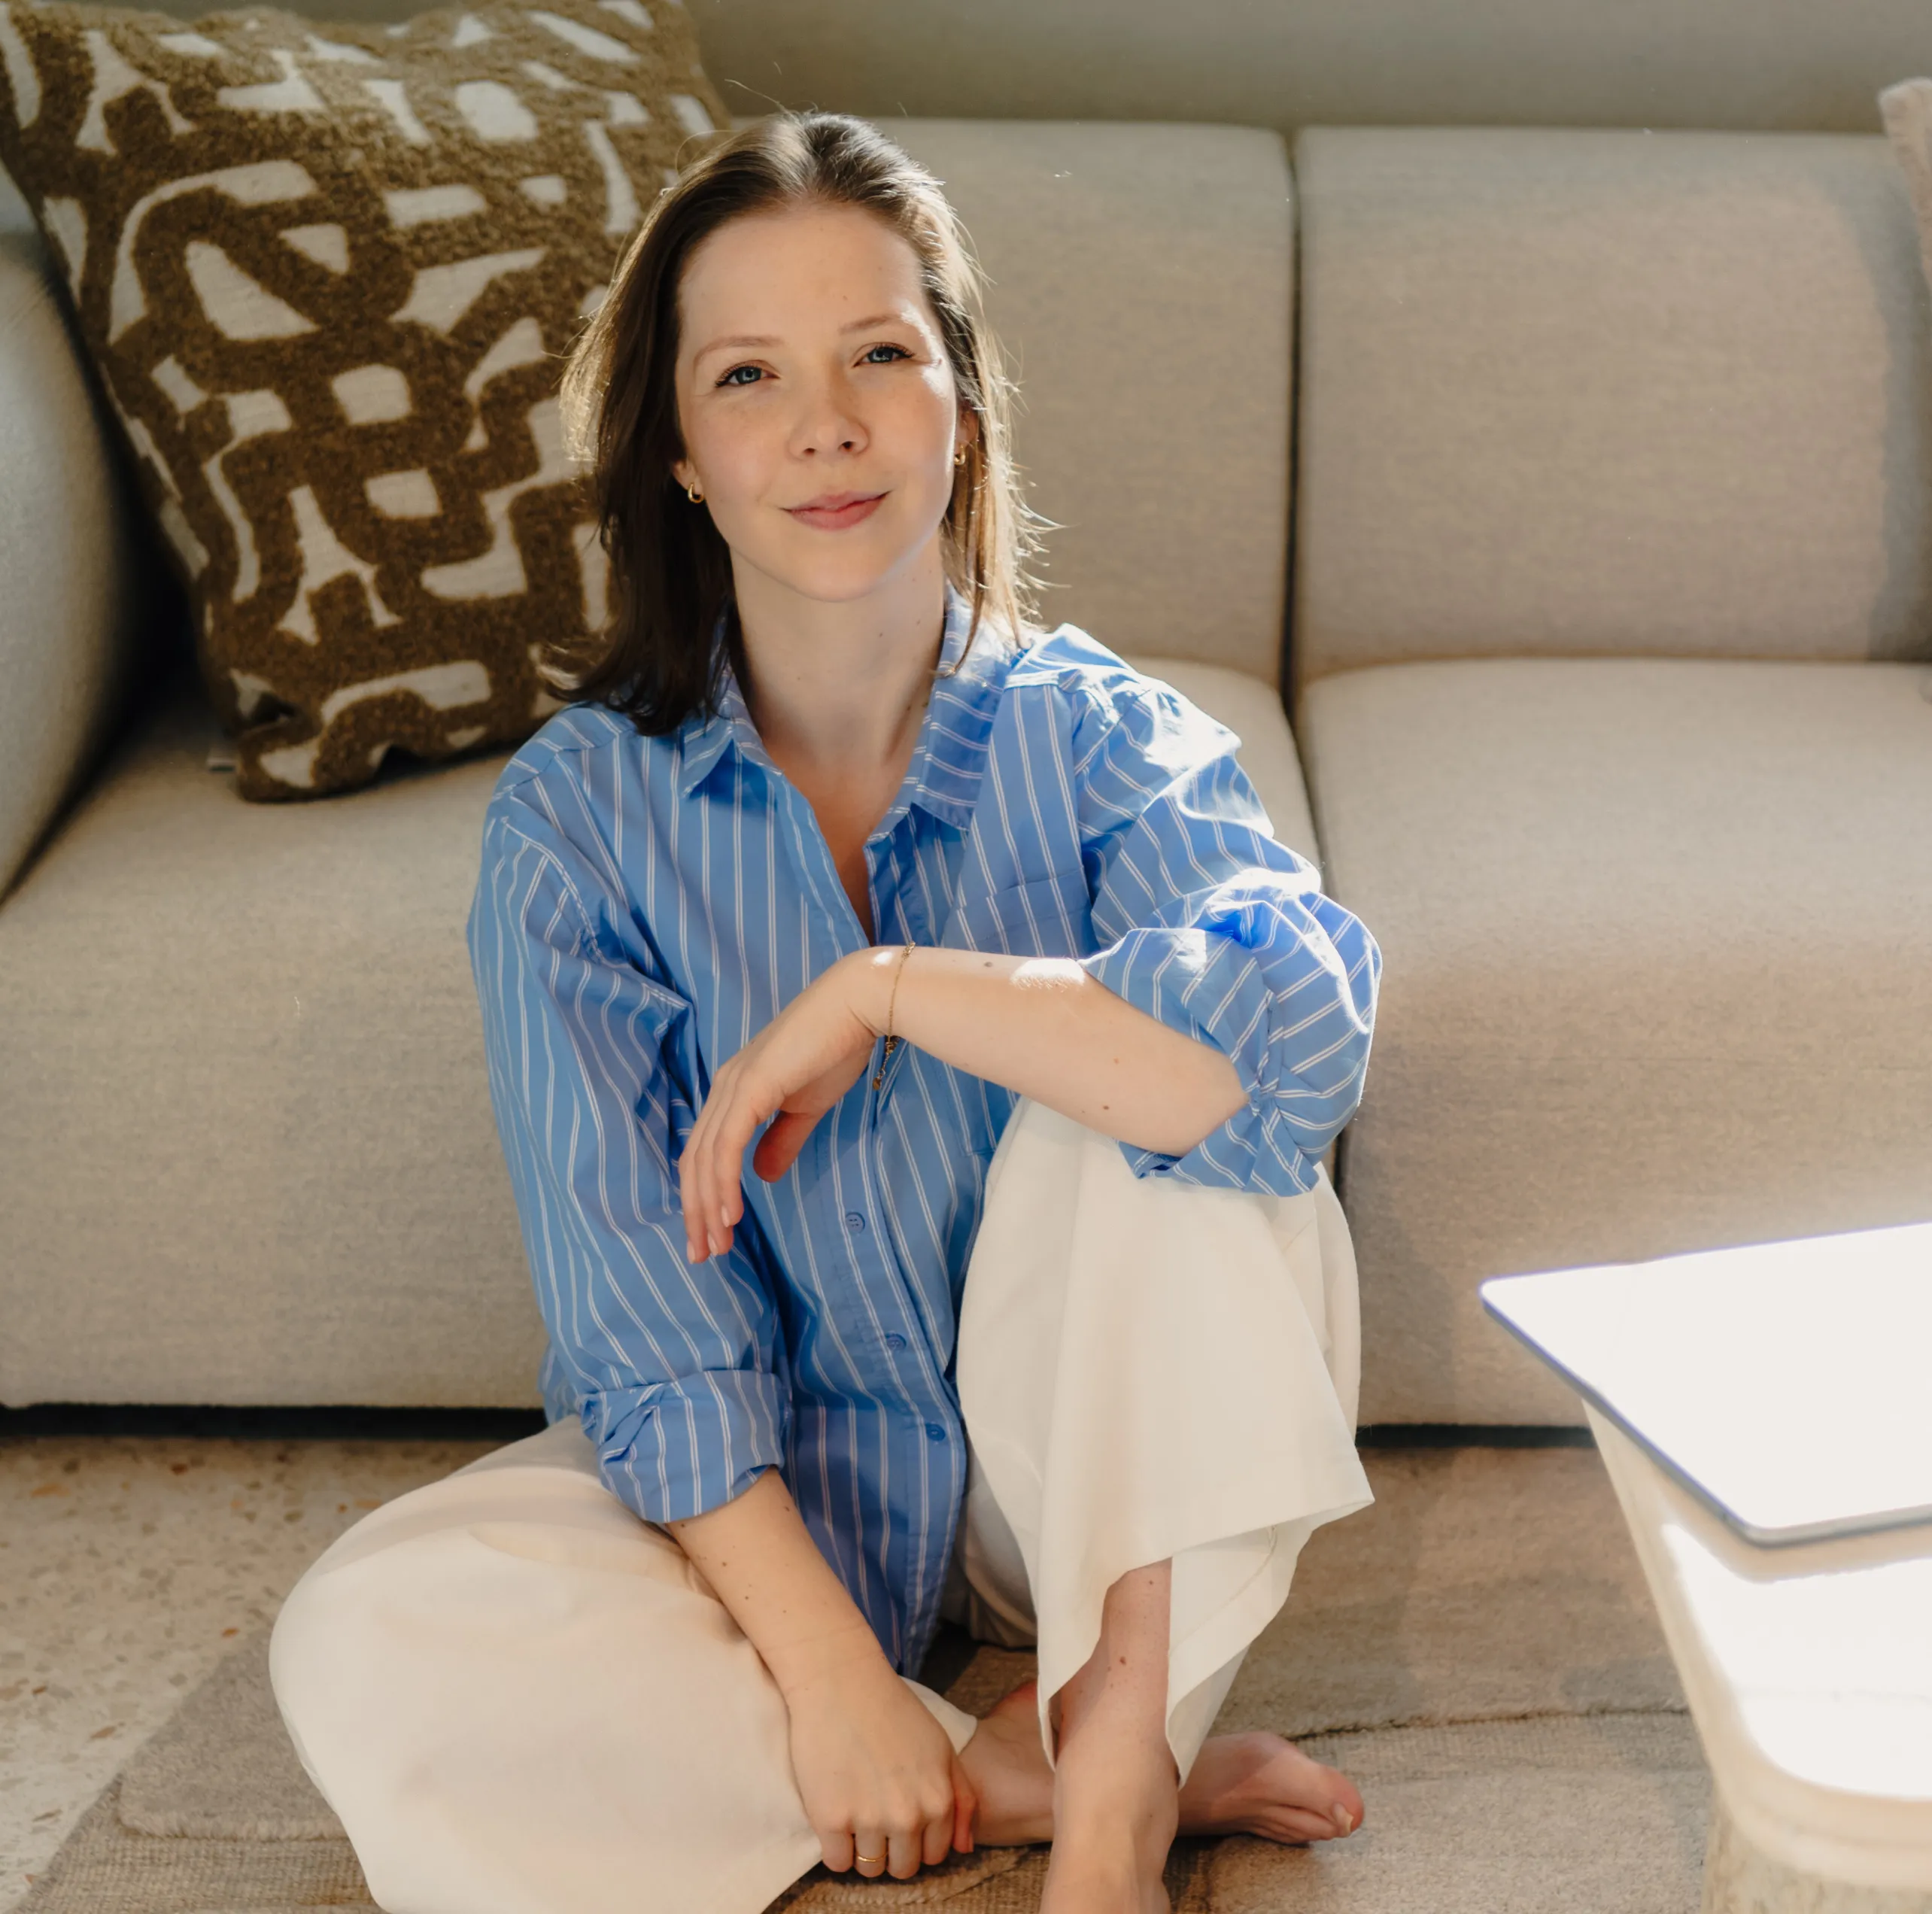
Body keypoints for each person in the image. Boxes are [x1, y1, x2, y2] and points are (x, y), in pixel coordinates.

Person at [269, 111, 1384, 1914]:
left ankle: (1112, 1784)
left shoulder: (1107, 738)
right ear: (679, 454)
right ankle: (996, 1774)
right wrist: (833, 1679)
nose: (828, 426)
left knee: (1151, 1106)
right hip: (796, 1500)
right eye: (748, 376)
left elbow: (1288, 1055)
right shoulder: (576, 821)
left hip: (1094, 1508)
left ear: (962, 405)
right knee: (362, 1645)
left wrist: (894, 991)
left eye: (880, 354)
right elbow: (639, 1317)